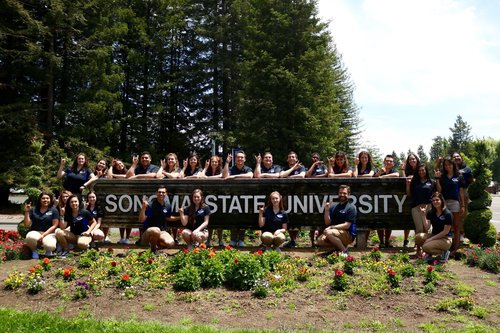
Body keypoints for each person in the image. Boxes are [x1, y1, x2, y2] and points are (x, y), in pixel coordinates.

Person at [435, 156, 465, 255]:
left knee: (456, 226)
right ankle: (445, 247)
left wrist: (463, 205)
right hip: (444, 203)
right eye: (446, 165)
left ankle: (455, 248)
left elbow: (461, 192)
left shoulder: (459, 176)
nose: (448, 167)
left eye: (449, 164)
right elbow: (439, 190)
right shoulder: (442, 177)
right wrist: (438, 179)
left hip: (455, 203)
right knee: (445, 226)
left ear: (453, 165)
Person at [222, 151, 253, 246]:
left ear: (245, 159)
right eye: (238, 157)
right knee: (233, 218)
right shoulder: (231, 168)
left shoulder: (248, 168)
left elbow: (250, 175)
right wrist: (227, 162)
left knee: (243, 218)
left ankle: (241, 240)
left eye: (242, 157)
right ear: (235, 159)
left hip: (244, 197)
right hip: (232, 197)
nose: (240, 159)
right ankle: (232, 240)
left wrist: (234, 176)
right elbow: (225, 175)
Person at [316, 185, 357, 255]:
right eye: (340, 193)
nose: (342, 195)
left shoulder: (351, 208)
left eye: (344, 193)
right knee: (319, 241)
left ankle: (345, 252)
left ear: (349, 195)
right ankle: (338, 248)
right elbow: (327, 223)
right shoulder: (334, 206)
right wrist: (326, 210)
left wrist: (332, 227)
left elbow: (347, 225)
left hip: (347, 234)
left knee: (329, 233)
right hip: (334, 232)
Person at [138, 186, 179, 253]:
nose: (161, 194)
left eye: (163, 192)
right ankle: (153, 249)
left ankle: (159, 249)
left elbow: (168, 217)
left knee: (171, 244)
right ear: (156, 193)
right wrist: (143, 208)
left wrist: (180, 217)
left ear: (166, 194)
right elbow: (141, 220)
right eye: (159, 192)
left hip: (162, 231)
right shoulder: (150, 205)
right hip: (148, 232)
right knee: (156, 230)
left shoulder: (167, 205)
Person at [415, 192, 452, 264]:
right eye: (433, 200)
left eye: (437, 200)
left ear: (442, 201)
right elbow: (427, 227)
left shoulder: (447, 214)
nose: (435, 202)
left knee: (426, 247)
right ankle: (429, 254)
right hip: (434, 235)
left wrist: (430, 239)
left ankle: (444, 252)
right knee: (418, 237)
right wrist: (423, 215)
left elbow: (445, 232)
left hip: (445, 238)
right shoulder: (431, 212)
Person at [406, 164, 435, 257]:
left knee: (427, 230)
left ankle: (426, 250)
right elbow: (409, 194)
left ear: (426, 171)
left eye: (423, 170)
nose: (421, 172)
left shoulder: (431, 182)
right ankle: (418, 250)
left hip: (428, 207)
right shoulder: (415, 182)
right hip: (416, 207)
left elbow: (436, 194)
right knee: (419, 229)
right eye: (419, 171)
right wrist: (408, 185)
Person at [280, 151, 305, 248]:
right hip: (286, 196)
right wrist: (293, 169)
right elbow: (282, 175)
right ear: (287, 159)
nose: (291, 158)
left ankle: (294, 240)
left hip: (299, 196)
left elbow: (302, 176)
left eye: (293, 157)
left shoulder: (301, 167)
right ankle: (291, 241)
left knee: (297, 217)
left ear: (296, 159)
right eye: (289, 157)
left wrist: (288, 176)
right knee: (288, 218)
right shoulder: (284, 168)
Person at [373, 154, 399, 248]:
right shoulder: (378, 169)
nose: (388, 162)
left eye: (390, 161)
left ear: (393, 163)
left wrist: (384, 177)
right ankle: (381, 242)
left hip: (391, 199)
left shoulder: (394, 170)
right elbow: (375, 176)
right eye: (387, 161)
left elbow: (397, 175)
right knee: (379, 220)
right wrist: (380, 172)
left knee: (389, 221)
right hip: (378, 199)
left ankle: (387, 241)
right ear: (384, 161)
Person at [23, 191, 59, 259]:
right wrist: (27, 211)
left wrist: (43, 235)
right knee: (30, 237)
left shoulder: (54, 210)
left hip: (48, 233)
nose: (45, 200)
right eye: (43, 198)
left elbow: (55, 225)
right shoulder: (34, 209)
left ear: (50, 200)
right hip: (36, 232)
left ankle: (48, 251)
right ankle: (34, 251)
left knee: (50, 246)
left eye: (47, 198)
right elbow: (26, 224)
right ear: (40, 199)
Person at [200, 155, 224, 246]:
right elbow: (201, 176)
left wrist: (207, 178)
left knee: (219, 220)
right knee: (210, 220)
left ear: (218, 163)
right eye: (212, 161)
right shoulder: (208, 171)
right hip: (208, 197)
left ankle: (220, 240)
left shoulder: (221, 170)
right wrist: (205, 168)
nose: (214, 163)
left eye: (216, 162)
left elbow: (222, 176)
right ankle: (208, 240)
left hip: (219, 197)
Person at [107, 159, 131, 244]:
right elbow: (109, 177)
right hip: (118, 198)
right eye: (117, 165)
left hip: (129, 198)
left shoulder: (128, 171)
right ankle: (121, 238)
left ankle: (127, 238)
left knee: (128, 219)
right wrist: (111, 166)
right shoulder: (113, 172)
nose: (119, 165)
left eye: (120, 163)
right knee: (121, 218)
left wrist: (114, 175)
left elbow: (127, 176)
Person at [452, 152, 473, 242]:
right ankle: (453, 232)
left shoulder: (467, 169)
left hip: (463, 192)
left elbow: (472, 181)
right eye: (454, 157)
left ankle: (461, 233)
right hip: (452, 194)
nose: (456, 158)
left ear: (461, 158)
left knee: (463, 214)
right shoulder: (450, 168)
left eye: (458, 156)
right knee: (453, 214)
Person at [401, 153, 420, 248]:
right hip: (408, 197)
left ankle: (418, 241)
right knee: (407, 220)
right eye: (410, 160)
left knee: (418, 222)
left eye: (414, 159)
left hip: (419, 197)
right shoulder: (407, 170)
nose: (412, 161)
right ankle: (405, 240)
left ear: (417, 159)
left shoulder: (421, 169)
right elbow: (403, 179)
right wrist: (403, 170)